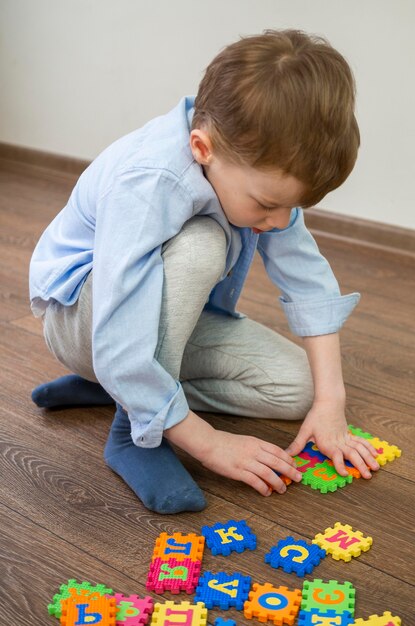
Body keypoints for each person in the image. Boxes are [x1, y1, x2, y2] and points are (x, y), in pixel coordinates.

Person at [29, 29, 379, 514]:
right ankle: (135, 435)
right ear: (201, 147)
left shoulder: (250, 165)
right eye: (268, 205)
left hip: (150, 329)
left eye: (292, 206)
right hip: (84, 323)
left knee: (297, 388)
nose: (280, 221)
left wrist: (331, 403)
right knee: (202, 244)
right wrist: (210, 442)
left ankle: (122, 390)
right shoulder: (150, 181)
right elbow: (119, 323)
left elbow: (307, 280)